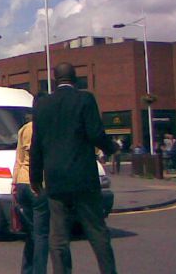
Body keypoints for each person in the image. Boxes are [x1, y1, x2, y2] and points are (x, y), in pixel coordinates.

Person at [30, 62, 118, 274]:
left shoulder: (42, 106)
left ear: (54, 80)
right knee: (97, 233)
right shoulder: (85, 99)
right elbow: (96, 134)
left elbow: (37, 145)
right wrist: (112, 147)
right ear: (75, 79)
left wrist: (35, 178)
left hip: (56, 180)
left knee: (58, 237)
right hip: (83, 179)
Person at [13, 99, 69, 274]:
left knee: (31, 233)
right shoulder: (51, 128)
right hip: (39, 184)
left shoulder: (24, 129)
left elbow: (19, 159)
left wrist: (14, 184)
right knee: (42, 235)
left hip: (22, 183)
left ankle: (26, 270)